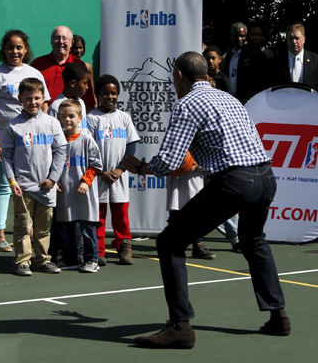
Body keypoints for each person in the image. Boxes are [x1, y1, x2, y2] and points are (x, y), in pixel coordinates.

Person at [124, 51, 289, 348]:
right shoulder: (229, 98)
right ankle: (279, 317)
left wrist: (139, 167)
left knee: (170, 242)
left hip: (235, 182)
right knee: (254, 240)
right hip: (265, 178)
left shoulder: (187, 104)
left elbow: (169, 161)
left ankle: (180, 327)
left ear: (178, 76)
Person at [0, 29, 50, 252]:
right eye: (10, 47)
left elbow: (45, 106)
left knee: (29, 188)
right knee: (3, 187)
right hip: (5, 142)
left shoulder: (34, 73)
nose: (15, 51)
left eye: (19, 47)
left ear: (26, 50)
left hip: (32, 145)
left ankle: (28, 230)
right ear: (4, 50)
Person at [0, 77, 67, 276]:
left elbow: (60, 151)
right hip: (23, 186)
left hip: (46, 187)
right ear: (20, 99)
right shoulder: (13, 126)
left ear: (43, 98)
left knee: (43, 227)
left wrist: (53, 179)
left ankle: (42, 260)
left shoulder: (52, 123)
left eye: (37, 98)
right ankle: (22, 261)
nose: (33, 102)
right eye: (28, 98)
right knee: (22, 226)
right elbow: (6, 156)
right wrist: (12, 181)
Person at [87, 75, 139, 266]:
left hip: (119, 177)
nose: (110, 97)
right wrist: (100, 171)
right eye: (105, 93)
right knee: (98, 216)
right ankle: (98, 250)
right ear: (98, 95)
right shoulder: (91, 118)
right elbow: (88, 148)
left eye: (114, 93)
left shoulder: (124, 117)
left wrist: (120, 169)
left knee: (121, 215)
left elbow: (131, 146)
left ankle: (124, 245)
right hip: (99, 176)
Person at [56, 99, 102, 273]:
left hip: (84, 194)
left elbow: (96, 164)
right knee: (67, 229)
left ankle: (92, 260)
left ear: (80, 117)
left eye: (71, 116)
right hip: (65, 193)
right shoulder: (58, 140)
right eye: (63, 116)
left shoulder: (86, 139)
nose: (67, 119)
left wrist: (86, 181)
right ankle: (72, 259)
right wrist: (57, 180)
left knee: (87, 228)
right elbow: (54, 164)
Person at [31, 26, 95, 108]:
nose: (61, 41)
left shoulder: (79, 65)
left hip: (71, 118)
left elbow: (88, 101)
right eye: (57, 38)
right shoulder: (37, 64)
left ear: (71, 42)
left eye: (65, 38)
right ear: (51, 41)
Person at [220, 22, 267, 104]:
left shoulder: (255, 53)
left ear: (246, 36)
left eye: (242, 36)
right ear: (231, 36)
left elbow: (261, 79)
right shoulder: (229, 54)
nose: (239, 38)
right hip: (230, 98)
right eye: (236, 35)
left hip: (249, 100)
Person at [270, 22, 318, 90]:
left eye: (297, 38)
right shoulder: (276, 62)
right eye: (290, 38)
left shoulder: (315, 61)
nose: (294, 41)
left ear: (304, 40)